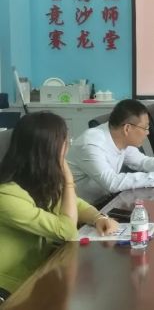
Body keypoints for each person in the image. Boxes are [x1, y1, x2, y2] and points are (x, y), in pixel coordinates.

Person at [0, 112, 119, 301]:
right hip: (10, 286)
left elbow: (74, 204)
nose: (68, 147)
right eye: (65, 142)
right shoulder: (6, 194)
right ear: (48, 150)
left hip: (41, 270)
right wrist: (68, 181)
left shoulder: (35, 178)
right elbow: (66, 231)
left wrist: (98, 218)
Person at [68, 99, 154, 205]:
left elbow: (141, 161)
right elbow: (112, 182)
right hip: (81, 210)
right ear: (127, 128)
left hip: (106, 202)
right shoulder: (90, 144)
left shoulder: (118, 135)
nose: (148, 133)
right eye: (145, 128)